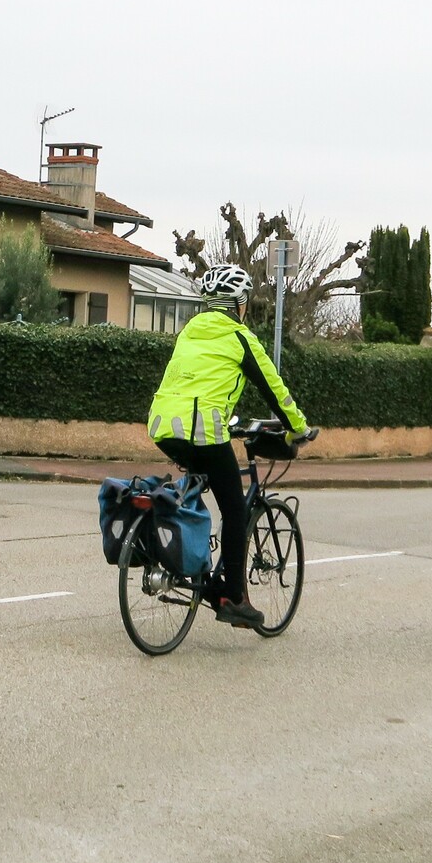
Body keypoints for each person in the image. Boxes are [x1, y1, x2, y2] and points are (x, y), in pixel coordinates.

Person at [146, 264, 312, 629]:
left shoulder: (189, 331)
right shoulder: (240, 338)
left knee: (195, 490)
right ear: (239, 303)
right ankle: (233, 598)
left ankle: (194, 568)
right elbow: (275, 390)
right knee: (235, 510)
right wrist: (298, 428)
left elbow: (194, 384)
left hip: (162, 426)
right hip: (203, 430)